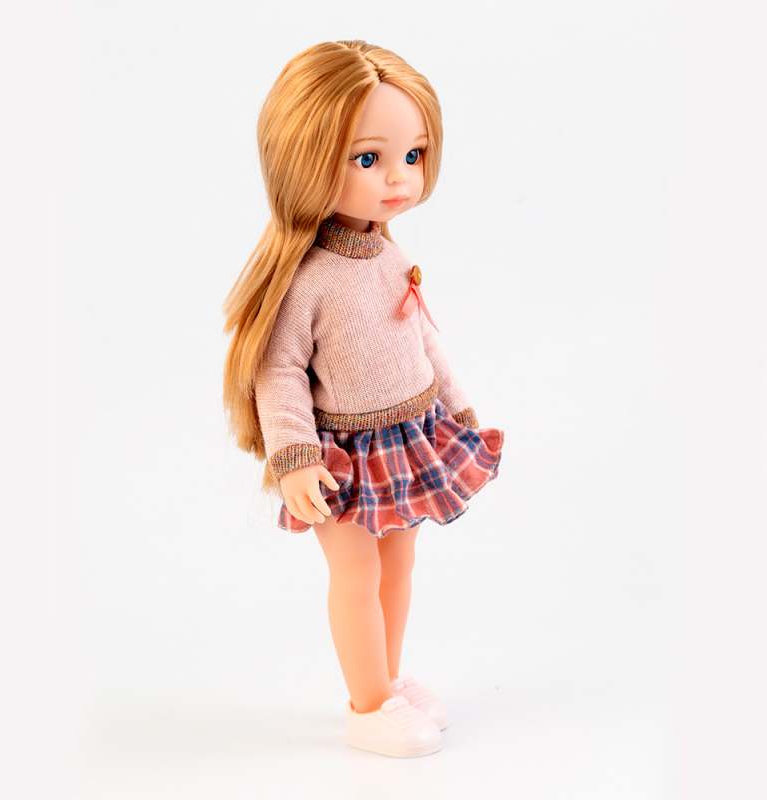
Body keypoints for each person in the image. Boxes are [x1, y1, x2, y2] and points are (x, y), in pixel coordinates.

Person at [222, 40, 505, 758]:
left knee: (399, 566)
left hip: (410, 438)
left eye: (413, 154)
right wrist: (294, 456)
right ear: (306, 157)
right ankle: (367, 705)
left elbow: (425, 339)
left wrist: (458, 407)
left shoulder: (391, 252)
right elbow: (278, 372)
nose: (398, 177)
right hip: (343, 456)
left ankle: (388, 683)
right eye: (368, 158)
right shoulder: (308, 279)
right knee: (357, 573)